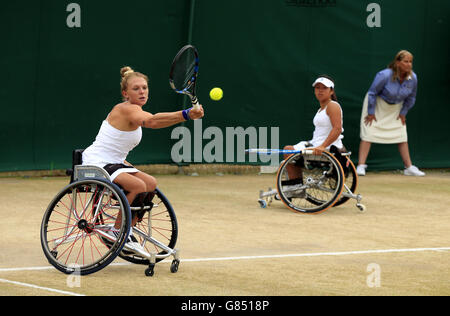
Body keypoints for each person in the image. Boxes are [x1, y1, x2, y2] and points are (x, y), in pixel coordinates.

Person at [82, 66, 204, 247]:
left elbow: (122, 147)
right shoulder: (125, 109)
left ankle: (126, 229)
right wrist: (186, 114)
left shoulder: (135, 110)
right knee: (138, 186)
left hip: (115, 162)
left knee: (151, 183)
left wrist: (186, 116)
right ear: (125, 93)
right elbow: (152, 121)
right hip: (96, 162)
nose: (142, 92)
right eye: (136, 88)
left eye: (144, 88)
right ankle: (117, 231)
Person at [357, 50, 424, 176]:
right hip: (377, 104)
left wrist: (403, 113)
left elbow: (411, 98)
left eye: (410, 62)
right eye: (406, 61)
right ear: (398, 62)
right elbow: (372, 93)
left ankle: (409, 167)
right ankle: (361, 165)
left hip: (396, 108)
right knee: (369, 132)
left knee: (401, 134)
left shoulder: (413, 78)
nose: (409, 64)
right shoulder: (384, 75)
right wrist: (371, 112)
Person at [283, 75, 345, 182]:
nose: (320, 91)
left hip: (327, 148)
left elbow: (337, 129)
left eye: (324, 88)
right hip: (316, 145)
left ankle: (295, 187)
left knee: (288, 151)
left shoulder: (332, 106)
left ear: (331, 91)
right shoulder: (321, 109)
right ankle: (295, 186)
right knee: (287, 153)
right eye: (317, 88)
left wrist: (322, 146)